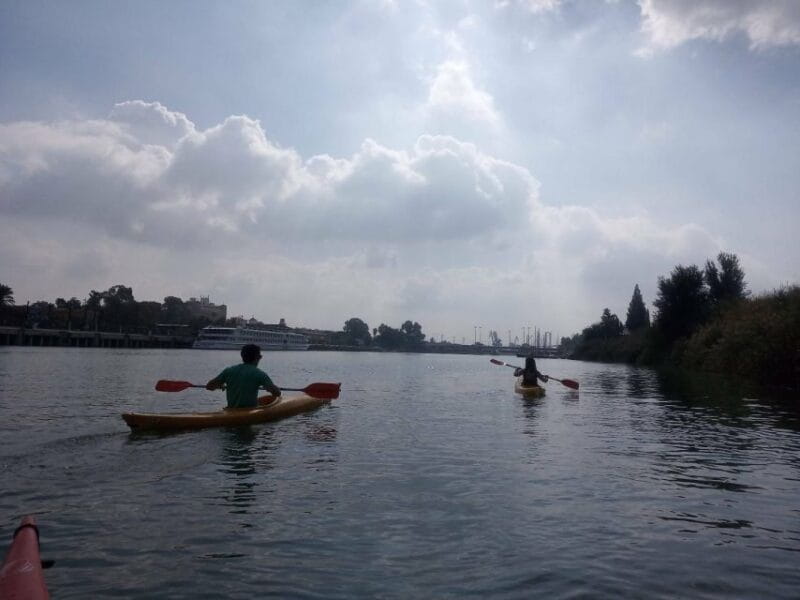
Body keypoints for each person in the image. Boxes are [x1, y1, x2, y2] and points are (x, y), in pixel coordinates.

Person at [206, 344, 281, 408]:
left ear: (242, 356)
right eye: (260, 356)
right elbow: (277, 393)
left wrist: (219, 385)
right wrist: (270, 388)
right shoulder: (260, 374)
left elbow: (209, 387)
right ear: (258, 357)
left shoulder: (228, 371)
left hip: (231, 411)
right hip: (250, 412)